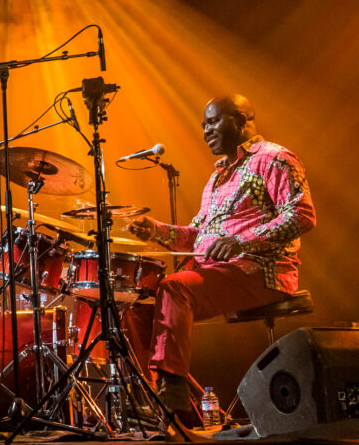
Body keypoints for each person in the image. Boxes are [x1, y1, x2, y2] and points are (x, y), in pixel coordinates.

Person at [126, 94, 315, 418]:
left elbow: (301, 214)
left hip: (261, 270)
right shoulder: (218, 177)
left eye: (212, 122)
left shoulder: (274, 158)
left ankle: (172, 398)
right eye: (203, 125)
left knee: (175, 288)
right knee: (137, 309)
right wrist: (155, 230)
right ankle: (166, 400)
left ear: (240, 120)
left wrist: (242, 240)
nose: (205, 132)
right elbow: (198, 236)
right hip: (219, 272)